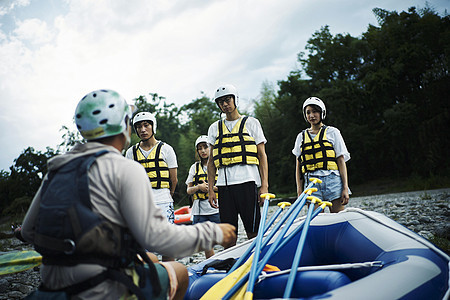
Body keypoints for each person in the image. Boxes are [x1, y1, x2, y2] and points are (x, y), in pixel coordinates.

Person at [21, 89, 236, 300]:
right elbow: (158, 237)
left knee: (150, 258)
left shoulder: (56, 170)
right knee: (178, 271)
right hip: (96, 287)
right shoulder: (125, 167)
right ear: (125, 126)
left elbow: (29, 232)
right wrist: (214, 233)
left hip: (51, 283)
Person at [207, 84, 269, 248]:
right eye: (221, 102)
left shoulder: (252, 123)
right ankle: (231, 267)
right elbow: (211, 161)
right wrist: (210, 189)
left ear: (235, 99)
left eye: (227, 100)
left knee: (253, 229)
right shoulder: (214, 128)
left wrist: (264, 186)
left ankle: (255, 263)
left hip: (247, 182)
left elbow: (262, 156)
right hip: (224, 187)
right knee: (228, 234)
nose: (225, 104)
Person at [125, 111, 178, 262]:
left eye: (146, 125)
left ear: (153, 126)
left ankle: (170, 277)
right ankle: (151, 278)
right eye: (139, 127)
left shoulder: (167, 149)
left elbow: (173, 181)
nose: (142, 129)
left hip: (163, 201)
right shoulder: (131, 153)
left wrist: (167, 196)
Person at [292, 97, 350, 213]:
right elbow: (298, 166)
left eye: (315, 111)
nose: (311, 115)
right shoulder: (301, 137)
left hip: (333, 181)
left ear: (322, 113)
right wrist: (299, 191)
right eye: (308, 112)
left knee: (338, 218)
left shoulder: (333, 132)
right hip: (311, 184)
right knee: (317, 220)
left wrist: (345, 188)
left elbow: (341, 160)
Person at [186, 135, 220, 258]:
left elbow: (226, 188)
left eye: (205, 147)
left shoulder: (218, 164)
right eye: (200, 148)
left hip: (217, 210)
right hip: (200, 211)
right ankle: (211, 264)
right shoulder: (194, 167)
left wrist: (211, 188)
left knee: (224, 239)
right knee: (206, 244)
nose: (203, 151)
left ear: (210, 148)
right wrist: (199, 188)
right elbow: (189, 190)